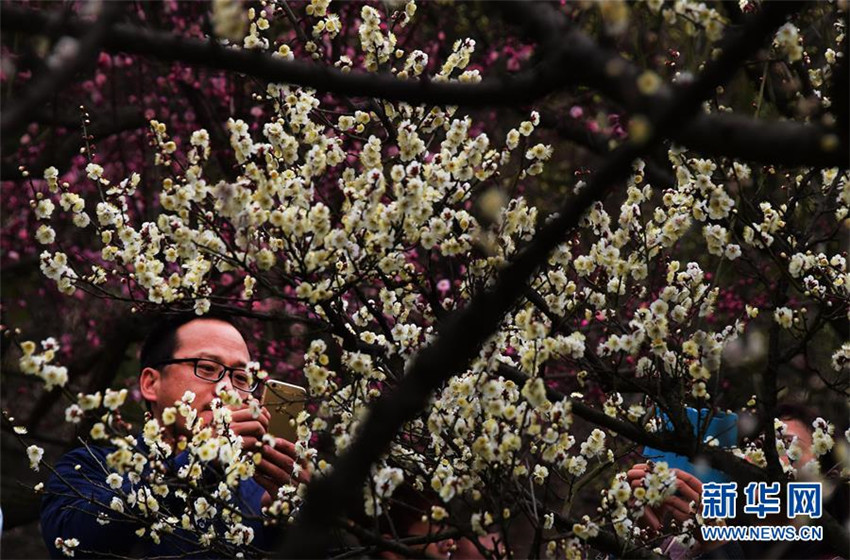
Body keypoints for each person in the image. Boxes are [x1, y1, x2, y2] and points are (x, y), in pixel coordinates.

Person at [40, 313, 307, 558]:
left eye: (241, 377)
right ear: (150, 383)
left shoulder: (261, 494)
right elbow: (74, 543)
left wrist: (290, 525)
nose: (227, 389)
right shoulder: (89, 469)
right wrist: (195, 465)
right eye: (207, 368)